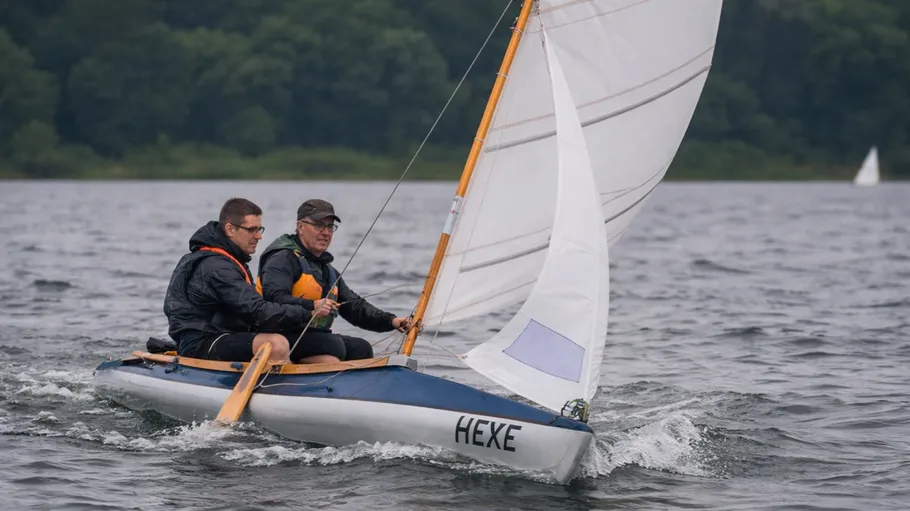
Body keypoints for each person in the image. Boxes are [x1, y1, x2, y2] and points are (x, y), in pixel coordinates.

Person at [163, 197, 318, 364]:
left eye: (260, 229)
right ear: (230, 229)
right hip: (199, 343)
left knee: (322, 354)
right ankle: (274, 387)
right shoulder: (217, 267)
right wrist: (307, 311)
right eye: (252, 230)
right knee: (276, 344)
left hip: (226, 335)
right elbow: (257, 311)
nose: (258, 236)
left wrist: (307, 310)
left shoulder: (230, 260)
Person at [255, 199, 411, 364]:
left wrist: (391, 321)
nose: (326, 233)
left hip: (310, 337)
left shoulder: (326, 270)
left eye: (330, 227)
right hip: (277, 337)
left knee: (361, 348)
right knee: (333, 345)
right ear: (300, 227)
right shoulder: (282, 259)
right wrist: (312, 305)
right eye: (319, 225)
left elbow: (354, 306)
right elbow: (274, 298)